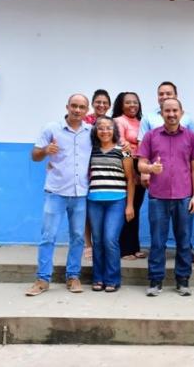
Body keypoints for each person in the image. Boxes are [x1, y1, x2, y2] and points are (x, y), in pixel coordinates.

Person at [26, 94, 92, 296]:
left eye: (82, 107)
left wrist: (126, 150)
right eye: (74, 106)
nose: (77, 110)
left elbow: (111, 146)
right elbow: (34, 155)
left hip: (80, 193)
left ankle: (73, 277)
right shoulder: (51, 129)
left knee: (78, 237)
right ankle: (42, 280)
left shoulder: (91, 132)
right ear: (67, 106)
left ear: (86, 110)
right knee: (48, 236)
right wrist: (46, 150)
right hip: (56, 191)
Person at [138, 98, 194, 297]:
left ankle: (182, 280)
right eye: (167, 111)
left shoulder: (191, 137)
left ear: (181, 113)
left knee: (184, 241)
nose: (171, 114)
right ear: (162, 114)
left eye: (175, 110)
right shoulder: (150, 136)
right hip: (158, 197)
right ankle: (155, 281)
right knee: (158, 241)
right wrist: (150, 168)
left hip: (184, 197)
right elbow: (140, 164)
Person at [87, 116, 135, 292]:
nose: (104, 131)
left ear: (114, 130)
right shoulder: (90, 150)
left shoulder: (124, 151)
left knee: (110, 240)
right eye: (101, 128)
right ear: (95, 131)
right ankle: (98, 278)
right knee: (98, 241)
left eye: (108, 128)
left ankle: (112, 279)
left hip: (117, 201)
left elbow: (131, 180)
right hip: (94, 201)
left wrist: (129, 205)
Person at [112, 92, 147, 260]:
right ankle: (124, 249)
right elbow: (122, 144)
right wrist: (133, 171)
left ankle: (134, 246)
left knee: (136, 207)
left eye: (135, 102)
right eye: (128, 102)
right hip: (127, 164)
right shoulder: (119, 121)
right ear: (121, 105)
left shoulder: (141, 122)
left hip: (140, 164)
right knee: (127, 206)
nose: (132, 105)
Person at [83, 89, 112, 260]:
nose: (101, 105)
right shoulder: (85, 121)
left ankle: (102, 243)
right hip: (85, 169)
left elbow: (118, 140)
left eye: (105, 102)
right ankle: (88, 244)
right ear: (93, 104)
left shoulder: (111, 122)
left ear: (109, 105)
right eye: (98, 102)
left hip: (103, 169)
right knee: (87, 209)